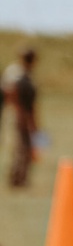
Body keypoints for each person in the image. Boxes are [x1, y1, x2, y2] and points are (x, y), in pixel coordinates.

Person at [1, 46, 39, 189]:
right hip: (17, 114)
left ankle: (21, 178)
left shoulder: (27, 74)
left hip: (24, 113)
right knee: (19, 147)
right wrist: (20, 113)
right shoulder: (15, 73)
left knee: (25, 146)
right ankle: (16, 179)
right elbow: (11, 94)